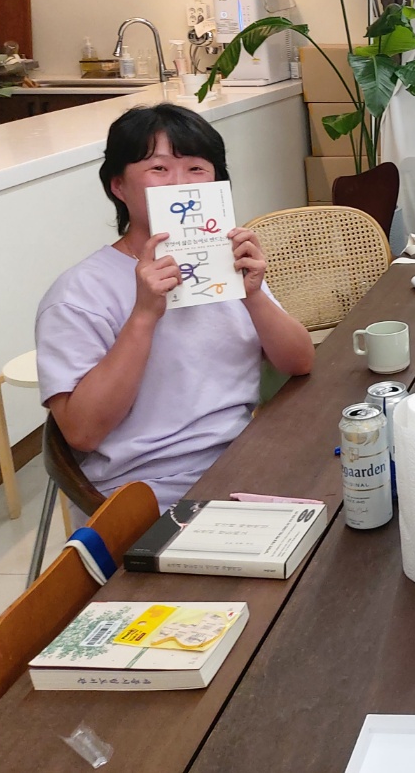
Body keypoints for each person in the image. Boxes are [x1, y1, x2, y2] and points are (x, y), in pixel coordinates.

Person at [35, 104, 314, 512]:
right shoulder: (79, 293)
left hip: (244, 462)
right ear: (118, 186)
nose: (180, 184)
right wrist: (144, 315)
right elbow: (82, 432)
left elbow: (299, 362)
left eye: (196, 168)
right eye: (159, 169)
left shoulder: (227, 263)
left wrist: (253, 294)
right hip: (147, 493)